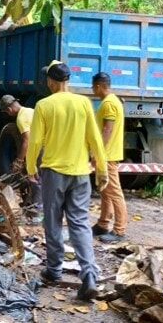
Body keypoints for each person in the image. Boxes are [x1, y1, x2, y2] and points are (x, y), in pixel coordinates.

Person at [26, 60, 108, 301]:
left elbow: (35, 141)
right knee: (80, 223)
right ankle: (89, 276)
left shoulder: (44, 105)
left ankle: (54, 269)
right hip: (81, 173)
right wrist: (101, 169)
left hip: (53, 171)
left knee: (53, 221)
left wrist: (31, 167)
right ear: (68, 80)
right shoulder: (83, 102)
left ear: (51, 82)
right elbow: (95, 139)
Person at [91, 72, 128, 243]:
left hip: (108, 155)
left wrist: (99, 153)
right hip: (106, 155)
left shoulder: (109, 104)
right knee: (105, 191)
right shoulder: (111, 102)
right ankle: (103, 224)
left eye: (93, 87)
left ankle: (119, 230)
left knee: (114, 192)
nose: (93, 91)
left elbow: (108, 130)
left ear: (99, 86)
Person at [0, 94, 42, 223]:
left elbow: (26, 140)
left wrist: (19, 160)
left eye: (7, 112)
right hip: (46, 145)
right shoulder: (30, 110)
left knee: (35, 177)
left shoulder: (21, 118)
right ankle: (33, 203)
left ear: (9, 109)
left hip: (40, 148)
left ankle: (37, 210)